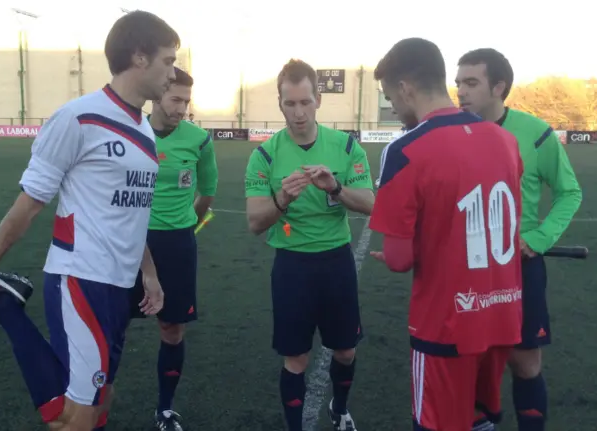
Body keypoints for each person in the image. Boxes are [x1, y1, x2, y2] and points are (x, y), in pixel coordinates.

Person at [0, 10, 179, 431]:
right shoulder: (79, 117)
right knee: (72, 420)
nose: (173, 73)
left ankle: (11, 303)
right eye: (168, 61)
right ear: (139, 57)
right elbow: (28, 204)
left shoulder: (145, 130)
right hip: (81, 277)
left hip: (121, 286)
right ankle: (7, 306)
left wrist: (149, 275)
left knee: (101, 406)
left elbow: (133, 215)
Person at [369, 37, 524, 431]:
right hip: (501, 314)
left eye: (390, 97)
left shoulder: (405, 149)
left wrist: (400, 251)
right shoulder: (505, 140)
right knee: (481, 419)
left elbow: (400, 259)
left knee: (438, 423)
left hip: (446, 322)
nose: (392, 106)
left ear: (405, 88)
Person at [244, 58, 375, 431]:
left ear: (318, 100)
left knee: (346, 351)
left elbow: (371, 205)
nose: (298, 113)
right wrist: (283, 199)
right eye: (290, 104)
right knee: (296, 358)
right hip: (292, 266)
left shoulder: (346, 147)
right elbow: (255, 222)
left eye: (305, 103)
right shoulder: (265, 155)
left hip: (336, 261)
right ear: (280, 103)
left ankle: (340, 407)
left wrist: (335, 187)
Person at [456, 48, 582, 431]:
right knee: (470, 362)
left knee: (525, 363)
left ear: (499, 86)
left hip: (520, 268)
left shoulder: (536, 133)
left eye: (471, 83)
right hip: (468, 269)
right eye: (458, 82)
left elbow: (569, 192)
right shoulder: (449, 132)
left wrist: (539, 238)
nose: (460, 91)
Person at [130, 67, 218, 431]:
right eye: (175, 99)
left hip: (178, 244)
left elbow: (207, 192)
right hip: (129, 242)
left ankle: (165, 410)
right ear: (157, 95)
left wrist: (185, 227)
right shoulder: (130, 132)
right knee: (112, 324)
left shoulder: (198, 140)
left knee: (172, 330)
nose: (182, 108)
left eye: (186, 100)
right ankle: (97, 398)